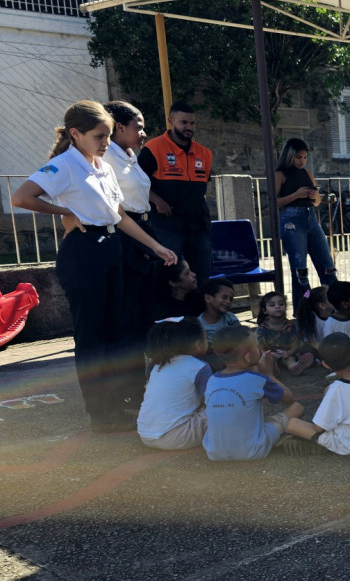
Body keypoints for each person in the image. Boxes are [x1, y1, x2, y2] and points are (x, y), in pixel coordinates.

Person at [9, 100, 177, 432]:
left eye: (109, 136)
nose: (105, 143)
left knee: (115, 331)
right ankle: (101, 414)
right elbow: (21, 197)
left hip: (111, 248)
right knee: (92, 337)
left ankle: (116, 405)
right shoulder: (65, 165)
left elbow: (119, 214)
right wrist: (65, 214)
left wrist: (157, 246)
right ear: (75, 134)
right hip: (83, 253)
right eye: (99, 136)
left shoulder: (101, 165)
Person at [101, 100, 157, 402]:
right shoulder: (106, 156)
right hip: (126, 234)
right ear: (118, 127)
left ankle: (140, 384)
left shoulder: (129, 153)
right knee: (128, 315)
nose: (144, 132)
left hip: (144, 229)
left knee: (144, 313)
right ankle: (130, 389)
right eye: (139, 126)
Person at [202, 325, 303, 461]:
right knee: (296, 408)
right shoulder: (257, 380)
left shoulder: (212, 380)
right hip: (252, 450)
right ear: (248, 357)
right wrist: (269, 374)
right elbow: (288, 398)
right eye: (257, 346)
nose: (260, 350)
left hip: (214, 452)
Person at [139, 102, 214, 282]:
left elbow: (202, 187)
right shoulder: (153, 148)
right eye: (184, 123)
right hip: (166, 225)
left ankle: (199, 310)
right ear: (171, 121)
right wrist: (157, 200)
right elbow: (137, 184)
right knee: (168, 275)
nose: (189, 127)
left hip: (197, 225)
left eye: (192, 123)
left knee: (201, 277)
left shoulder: (204, 153)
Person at [286, 333, 350, 455]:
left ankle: (320, 445)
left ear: (325, 364)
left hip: (349, 444)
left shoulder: (337, 390)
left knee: (291, 424)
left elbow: (317, 428)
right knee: (329, 391)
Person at [274, 138, 337, 303]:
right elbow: (274, 202)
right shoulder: (280, 174)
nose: (302, 161)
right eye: (298, 157)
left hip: (311, 217)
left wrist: (315, 196)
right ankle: (304, 306)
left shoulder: (307, 173)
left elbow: (316, 202)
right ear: (289, 156)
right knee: (300, 270)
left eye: (304, 157)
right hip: (291, 220)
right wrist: (296, 195)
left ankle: (334, 301)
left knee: (327, 264)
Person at [137, 317, 211, 450]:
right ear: (198, 345)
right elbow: (213, 401)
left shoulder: (156, 365)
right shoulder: (199, 367)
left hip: (145, 435)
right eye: (206, 338)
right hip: (177, 437)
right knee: (223, 408)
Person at [255, 291, 315, 377]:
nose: (278, 306)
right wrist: (267, 354)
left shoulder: (289, 325)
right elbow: (260, 347)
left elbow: (295, 343)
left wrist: (288, 353)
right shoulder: (262, 329)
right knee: (268, 360)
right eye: (272, 305)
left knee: (290, 359)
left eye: (281, 304)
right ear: (265, 310)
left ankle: (295, 367)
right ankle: (272, 369)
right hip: (269, 354)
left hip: (285, 353)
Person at [199, 278, 240, 349]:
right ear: (208, 298)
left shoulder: (231, 319)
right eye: (224, 297)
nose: (228, 301)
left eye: (231, 299)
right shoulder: (198, 325)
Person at [296, 285, 332, 350]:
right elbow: (310, 342)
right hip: (320, 351)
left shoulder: (338, 314)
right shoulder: (310, 319)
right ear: (322, 305)